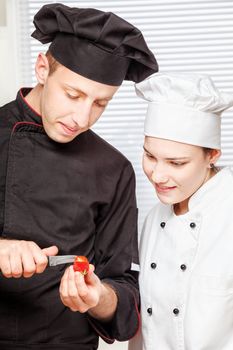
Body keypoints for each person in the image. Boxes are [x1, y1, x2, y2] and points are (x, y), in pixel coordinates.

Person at [0, 3, 158, 350]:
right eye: (73, 94)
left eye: (101, 103)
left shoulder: (113, 169)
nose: (82, 117)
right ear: (42, 68)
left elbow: (125, 289)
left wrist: (98, 296)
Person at [129, 72, 233, 350]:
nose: (158, 175)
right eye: (150, 156)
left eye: (176, 163)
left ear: (212, 156)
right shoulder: (153, 221)